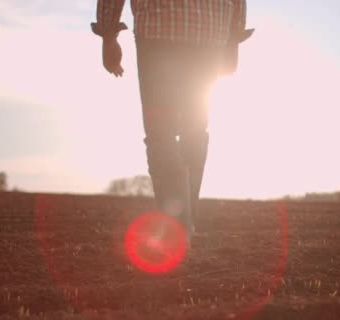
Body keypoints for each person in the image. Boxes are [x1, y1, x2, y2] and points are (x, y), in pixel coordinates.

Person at [92, 0, 252, 246]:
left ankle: (178, 228)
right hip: (211, 28)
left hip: (158, 26)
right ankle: (183, 225)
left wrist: (108, 32)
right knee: (195, 132)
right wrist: (234, 35)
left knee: (161, 134)